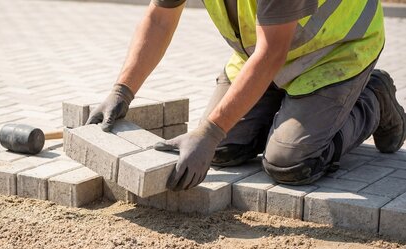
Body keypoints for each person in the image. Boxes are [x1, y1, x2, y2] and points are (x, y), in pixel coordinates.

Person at [86, 0, 406, 191]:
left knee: (289, 162)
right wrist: (122, 91)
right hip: (261, 57)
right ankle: (291, 111)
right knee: (222, 151)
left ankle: (373, 98)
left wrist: (210, 131)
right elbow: (159, 18)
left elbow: (272, 52)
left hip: (335, 51)